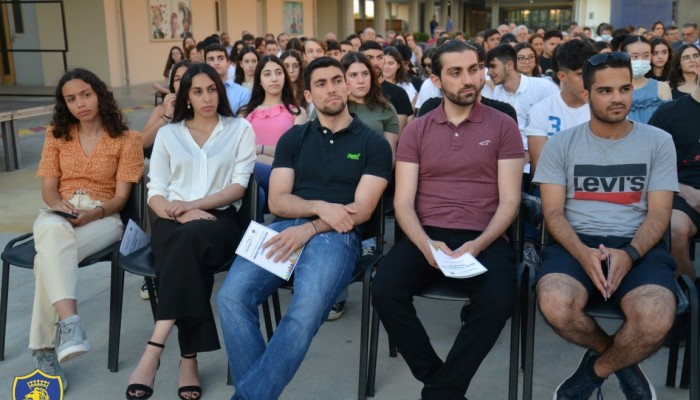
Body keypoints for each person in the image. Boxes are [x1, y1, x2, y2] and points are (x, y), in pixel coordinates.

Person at [216, 56, 392, 400]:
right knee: (230, 297)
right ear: (309, 95)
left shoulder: (373, 144)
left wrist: (310, 228)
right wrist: (317, 206)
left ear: (346, 86)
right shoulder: (293, 138)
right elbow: (279, 200)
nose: (332, 88)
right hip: (284, 225)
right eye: (322, 83)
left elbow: (362, 210)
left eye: (337, 80)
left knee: (306, 309)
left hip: (337, 237)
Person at [372, 41, 524, 400]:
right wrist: (426, 245)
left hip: (484, 236)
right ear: (436, 80)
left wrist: (479, 244)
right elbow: (404, 203)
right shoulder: (417, 130)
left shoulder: (503, 126)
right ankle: (441, 383)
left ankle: (440, 392)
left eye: (474, 69)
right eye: (455, 72)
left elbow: (511, 200)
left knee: (500, 299)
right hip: (428, 234)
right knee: (384, 289)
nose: (469, 79)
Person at [533, 50, 678, 400]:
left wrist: (629, 253)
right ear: (586, 94)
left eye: (625, 89)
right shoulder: (561, 145)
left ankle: (594, 372)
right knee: (555, 303)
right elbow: (552, 213)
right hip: (575, 243)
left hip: (638, 244)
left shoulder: (658, 141)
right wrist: (582, 254)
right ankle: (621, 360)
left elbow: (659, 214)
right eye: (605, 91)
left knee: (656, 316)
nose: (618, 98)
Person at [125, 63, 256, 400]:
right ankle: (187, 360)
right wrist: (175, 212)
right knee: (185, 248)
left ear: (220, 91)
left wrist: (192, 205)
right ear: (186, 96)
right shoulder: (170, 134)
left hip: (220, 221)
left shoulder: (239, 128)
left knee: (187, 243)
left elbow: (238, 187)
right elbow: (156, 190)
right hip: (170, 220)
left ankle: (154, 350)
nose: (206, 97)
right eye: (197, 91)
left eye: (212, 89)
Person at [31, 68, 143, 390]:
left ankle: (43, 351)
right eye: (71, 99)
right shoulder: (56, 135)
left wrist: (94, 213)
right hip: (60, 212)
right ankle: (71, 325)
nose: (80, 103)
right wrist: (60, 206)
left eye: (85, 94)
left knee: (45, 262)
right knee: (52, 233)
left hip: (104, 217)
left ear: (99, 94)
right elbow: (49, 189)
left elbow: (121, 198)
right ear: (64, 104)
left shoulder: (127, 140)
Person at [649, 59, 700, 278]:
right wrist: (686, 192)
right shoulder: (668, 114)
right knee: (674, 228)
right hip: (681, 191)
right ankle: (688, 291)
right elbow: (649, 165)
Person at [238, 55, 307, 215]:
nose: (274, 78)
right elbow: (237, 150)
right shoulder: (245, 113)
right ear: (259, 80)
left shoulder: (296, 112)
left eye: (278, 73)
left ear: (284, 77)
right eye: (267, 74)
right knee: (257, 193)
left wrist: (260, 149)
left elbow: (296, 152)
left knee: (252, 169)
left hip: (285, 174)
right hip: (250, 175)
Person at [526, 40, 597, 175]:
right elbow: (540, 168)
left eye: (593, 72)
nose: (590, 79)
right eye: (581, 74)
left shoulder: (605, 108)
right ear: (562, 76)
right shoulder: (541, 111)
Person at [360, 41, 414, 133]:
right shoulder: (353, 92)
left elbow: (398, 133)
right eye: (370, 58)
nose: (376, 63)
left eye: (380, 57)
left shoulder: (399, 93)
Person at [621, 35, 672, 123]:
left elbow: (669, 122)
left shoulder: (662, 87)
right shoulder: (615, 89)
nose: (641, 60)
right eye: (635, 56)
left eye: (646, 56)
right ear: (623, 57)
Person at [205, 43, 252, 116]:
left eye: (221, 58)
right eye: (211, 59)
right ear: (205, 64)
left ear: (228, 63)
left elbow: (243, 124)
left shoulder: (242, 93)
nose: (216, 63)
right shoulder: (200, 93)